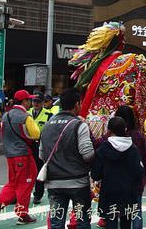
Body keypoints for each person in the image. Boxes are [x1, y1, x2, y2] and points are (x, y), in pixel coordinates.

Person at [39, 88, 95, 229]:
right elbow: (87, 154)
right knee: (82, 221)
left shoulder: (47, 125)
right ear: (77, 105)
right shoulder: (79, 125)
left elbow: (41, 154)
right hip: (78, 182)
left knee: (57, 222)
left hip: (54, 183)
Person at [0, 89, 41, 225]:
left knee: (13, 183)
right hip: (24, 155)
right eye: (29, 100)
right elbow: (36, 134)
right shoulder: (25, 117)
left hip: (10, 156)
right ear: (24, 101)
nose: (30, 102)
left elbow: (2, 134)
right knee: (26, 183)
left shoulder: (5, 116)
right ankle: (22, 215)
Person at [92, 117, 145, 229]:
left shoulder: (103, 149)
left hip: (109, 193)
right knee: (126, 223)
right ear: (125, 130)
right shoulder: (132, 149)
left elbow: (96, 174)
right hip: (128, 193)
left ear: (109, 131)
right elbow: (140, 172)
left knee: (111, 223)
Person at [114, 105, 146, 229]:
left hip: (118, 180)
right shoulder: (138, 136)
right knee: (136, 211)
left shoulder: (113, 137)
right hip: (135, 179)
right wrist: (144, 174)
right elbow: (144, 158)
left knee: (121, 213)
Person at [29, 92, 51, 205]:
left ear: (43, 102)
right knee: (25, 172)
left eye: (38, 101)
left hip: (41, 146)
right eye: (34, 101)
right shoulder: (26, 113)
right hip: (27, 146)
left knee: (39, 172)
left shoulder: (48, 115)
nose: (35, 103)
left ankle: (38, 194)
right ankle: (20, 194)